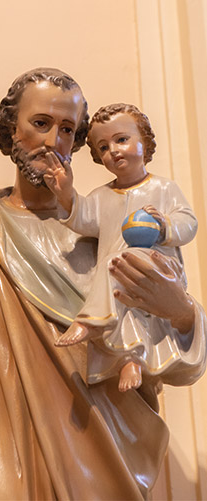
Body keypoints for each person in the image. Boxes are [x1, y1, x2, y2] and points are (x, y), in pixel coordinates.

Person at [0, 68, 206, 500]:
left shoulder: (106, 233)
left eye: (68, 129)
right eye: (41, 123)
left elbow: (179, 361)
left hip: (105, 460)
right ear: (11, 128)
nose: (54, 140)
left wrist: (180, 312)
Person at [48, 103, 199, 392]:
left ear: (144, 141)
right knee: (123, 305)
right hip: (116, 276)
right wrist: (66, 194)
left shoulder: (164, 188)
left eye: (121, 139)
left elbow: (188, 223)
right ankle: (132, 359)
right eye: (103, 147)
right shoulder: (102, 196)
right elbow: (83, 218)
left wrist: (164, 225)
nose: (113, 151)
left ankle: (89, 322)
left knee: (118, 265)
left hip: (158, 269)